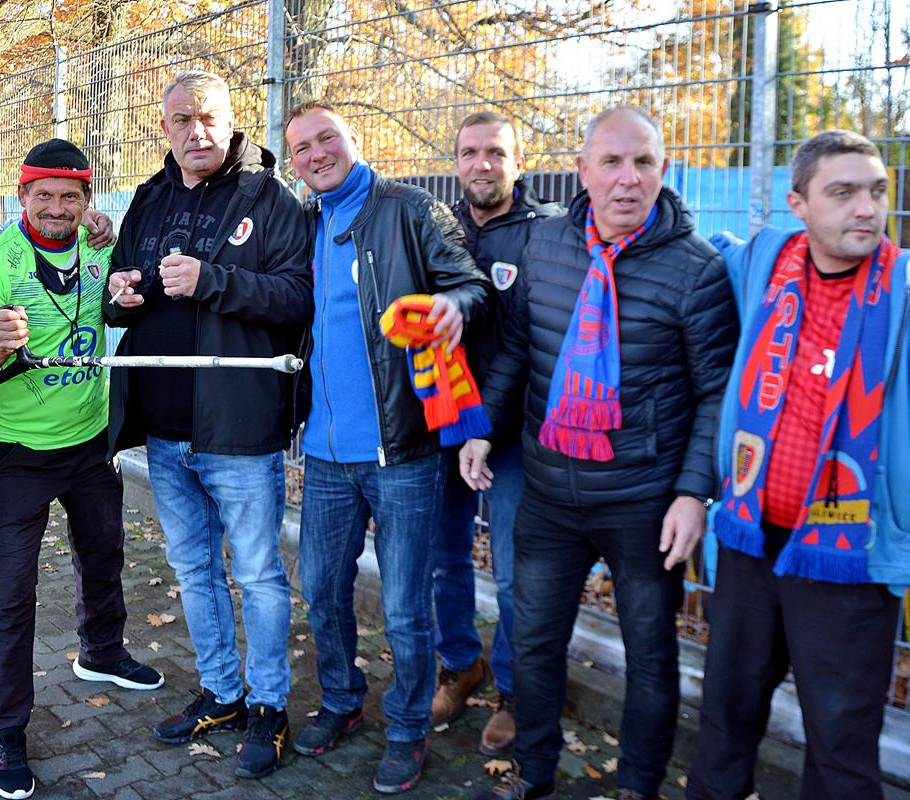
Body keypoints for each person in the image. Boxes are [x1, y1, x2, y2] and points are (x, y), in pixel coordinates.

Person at [460, 106, 736, 800]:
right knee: (534, 644)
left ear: (663, 171)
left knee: (650, 656)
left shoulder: (697, 271)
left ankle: (638, 785)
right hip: (549, 495)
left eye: (643, 162)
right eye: (611, 162)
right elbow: (519, 349)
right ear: (583, 171)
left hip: (642, 504)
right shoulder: (546, 246)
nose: (627, 178)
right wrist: (484, 427)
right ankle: (533, 773)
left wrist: (692, 493)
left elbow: (716, 394)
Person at [687, 130, 910, 800]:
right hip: (751, 543)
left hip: (848, 563)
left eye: (876, 191)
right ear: (799, 204)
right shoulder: (766, 262)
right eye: (843, 193)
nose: (866, 208)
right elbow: (697, 249)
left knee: (840, 750)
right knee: (723, 719)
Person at [104, 69, 312, 780]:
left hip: (238, 427)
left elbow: (298, 298)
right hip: (164, 431)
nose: (196, 132)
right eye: (182, 120)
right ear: (164, 128)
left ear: (231, 120)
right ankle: (223, 693)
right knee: (194, 570)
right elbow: (117, 290)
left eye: (209, 118)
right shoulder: (148, 198)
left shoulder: (270, 199)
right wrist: (120, 294)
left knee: (257, 574)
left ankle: (269, 706)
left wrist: (213, 281)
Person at [283, 100, 491, 794]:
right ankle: (343, 700)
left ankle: (406, 729)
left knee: (403, 608)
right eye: (303, 147)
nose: (317, 154)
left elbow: (471, 284)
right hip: (324, 455)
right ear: (294, 162)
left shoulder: (410, 210)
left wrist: (453, 306)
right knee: (321, 590)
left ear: (354, 139)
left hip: (403, 451)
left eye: (328, 139)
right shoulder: (304, 221)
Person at [0, 138, 161, 800]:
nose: (56, 207)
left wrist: (120, 284)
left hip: (91, 443)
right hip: (20, 453)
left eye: (70, 196)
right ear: (22, 197)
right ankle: (1, 729)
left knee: (104, 555)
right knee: (13, 594)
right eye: (42, 194)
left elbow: (115, 295)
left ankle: (101, 651)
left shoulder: (98, 247)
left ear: (85, 200)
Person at [429, 111, 563, 756]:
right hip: (442, 423)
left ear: (519, 162)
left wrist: (488, 424)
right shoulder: (437, 227)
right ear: (456, 161)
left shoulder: (545, 233)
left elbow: (529, 340)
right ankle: (461, 665)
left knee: (513, 571)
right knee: (443, 558)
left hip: (513, 432)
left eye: (496, 153)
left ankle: (514, 689)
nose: (482, 164)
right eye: (470, 152)